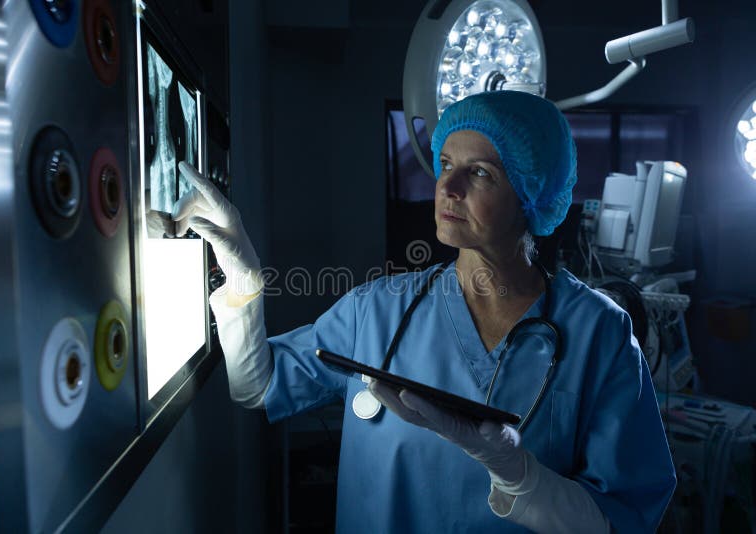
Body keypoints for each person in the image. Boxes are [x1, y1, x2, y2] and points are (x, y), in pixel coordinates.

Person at [172, 90, 676, 533]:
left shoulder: (599, 333)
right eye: (446, 164)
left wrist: (518, 472)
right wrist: (241, 280)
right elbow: (258, 387)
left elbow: (623, 522)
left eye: (479, 173)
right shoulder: (378, 309)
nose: (448, 188)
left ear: (532, 192)